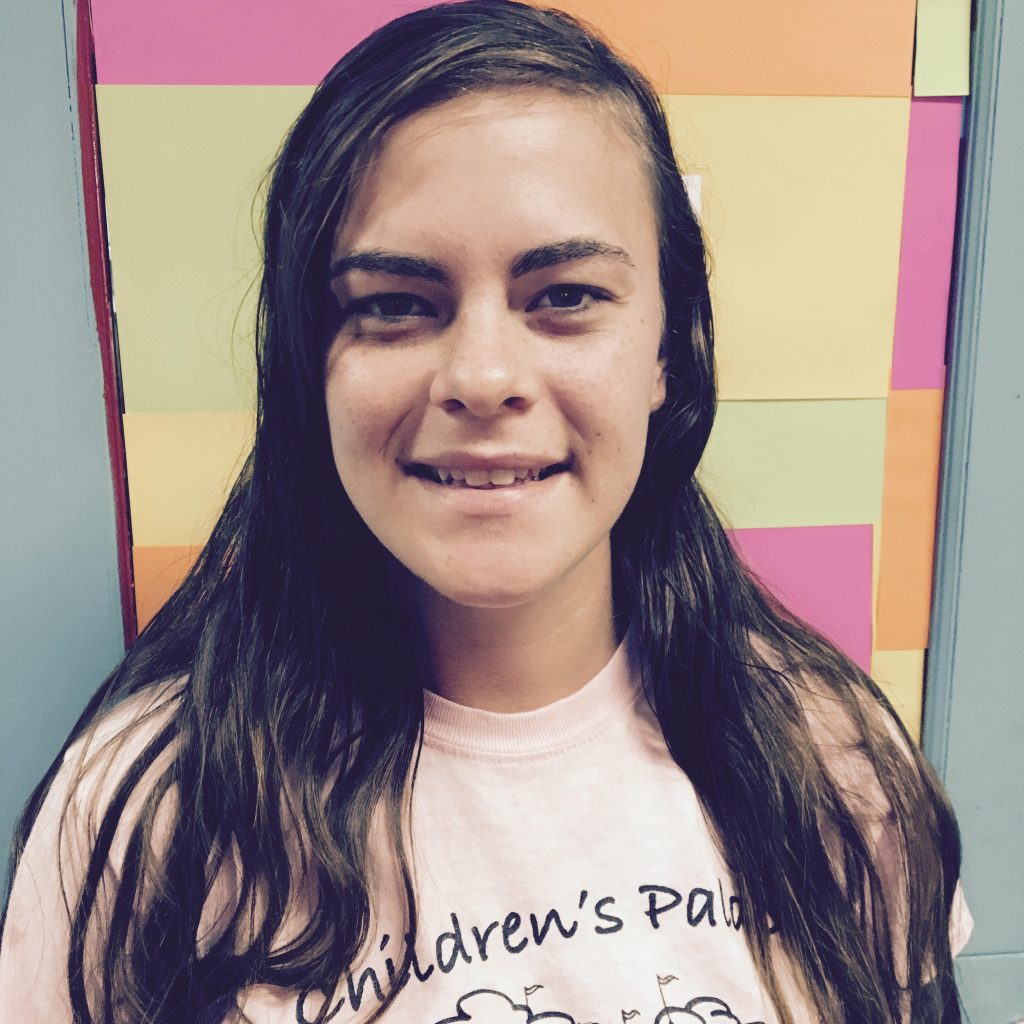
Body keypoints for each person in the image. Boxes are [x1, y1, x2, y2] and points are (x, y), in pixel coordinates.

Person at [0, 3, 971, 1022]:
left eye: (566, 295)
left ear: (667, 348)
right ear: (307, 365)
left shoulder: (832, 760)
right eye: (393, 304)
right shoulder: (153, 815)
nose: (482, 376)